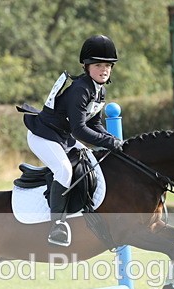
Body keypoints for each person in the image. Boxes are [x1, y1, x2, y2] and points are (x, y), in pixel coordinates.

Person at [21, 35, 124, 247]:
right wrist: (108, 142)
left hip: (63, 137)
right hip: (43, 135)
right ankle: (56, 226)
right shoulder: (81, 89)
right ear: (86, 67)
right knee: (65, 171)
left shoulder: (99, 90)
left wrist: (114, 140)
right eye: (98, 65)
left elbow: (94, 125)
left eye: (108, 66)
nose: (104, 70)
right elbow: (80, 130)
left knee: (89, 163)